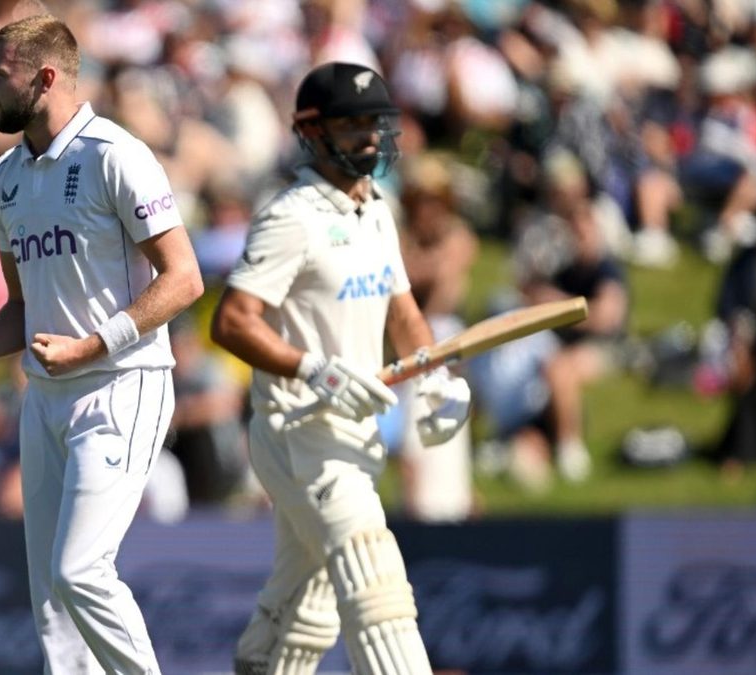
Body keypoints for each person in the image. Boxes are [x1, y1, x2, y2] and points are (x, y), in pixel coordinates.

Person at [0, 12, 203, 675]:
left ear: (46, 76)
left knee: (80, 570)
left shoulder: (116, 156)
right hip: (45, 399)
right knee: (52, 600)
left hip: (122, 384)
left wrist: (91, 347)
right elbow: (23, 308)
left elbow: (185, 278)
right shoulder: (4, 180)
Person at [210, 62, 471, 675]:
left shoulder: (377, 210)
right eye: (352, 125)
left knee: (304, 612)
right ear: (312, 131)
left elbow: (401, 311)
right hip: (297, 431)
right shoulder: (290, 218)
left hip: (354, 438)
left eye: (375, 123)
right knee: (372, 576)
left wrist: (431, 378)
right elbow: (233, 321)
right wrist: (314, 370)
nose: (369, 138)